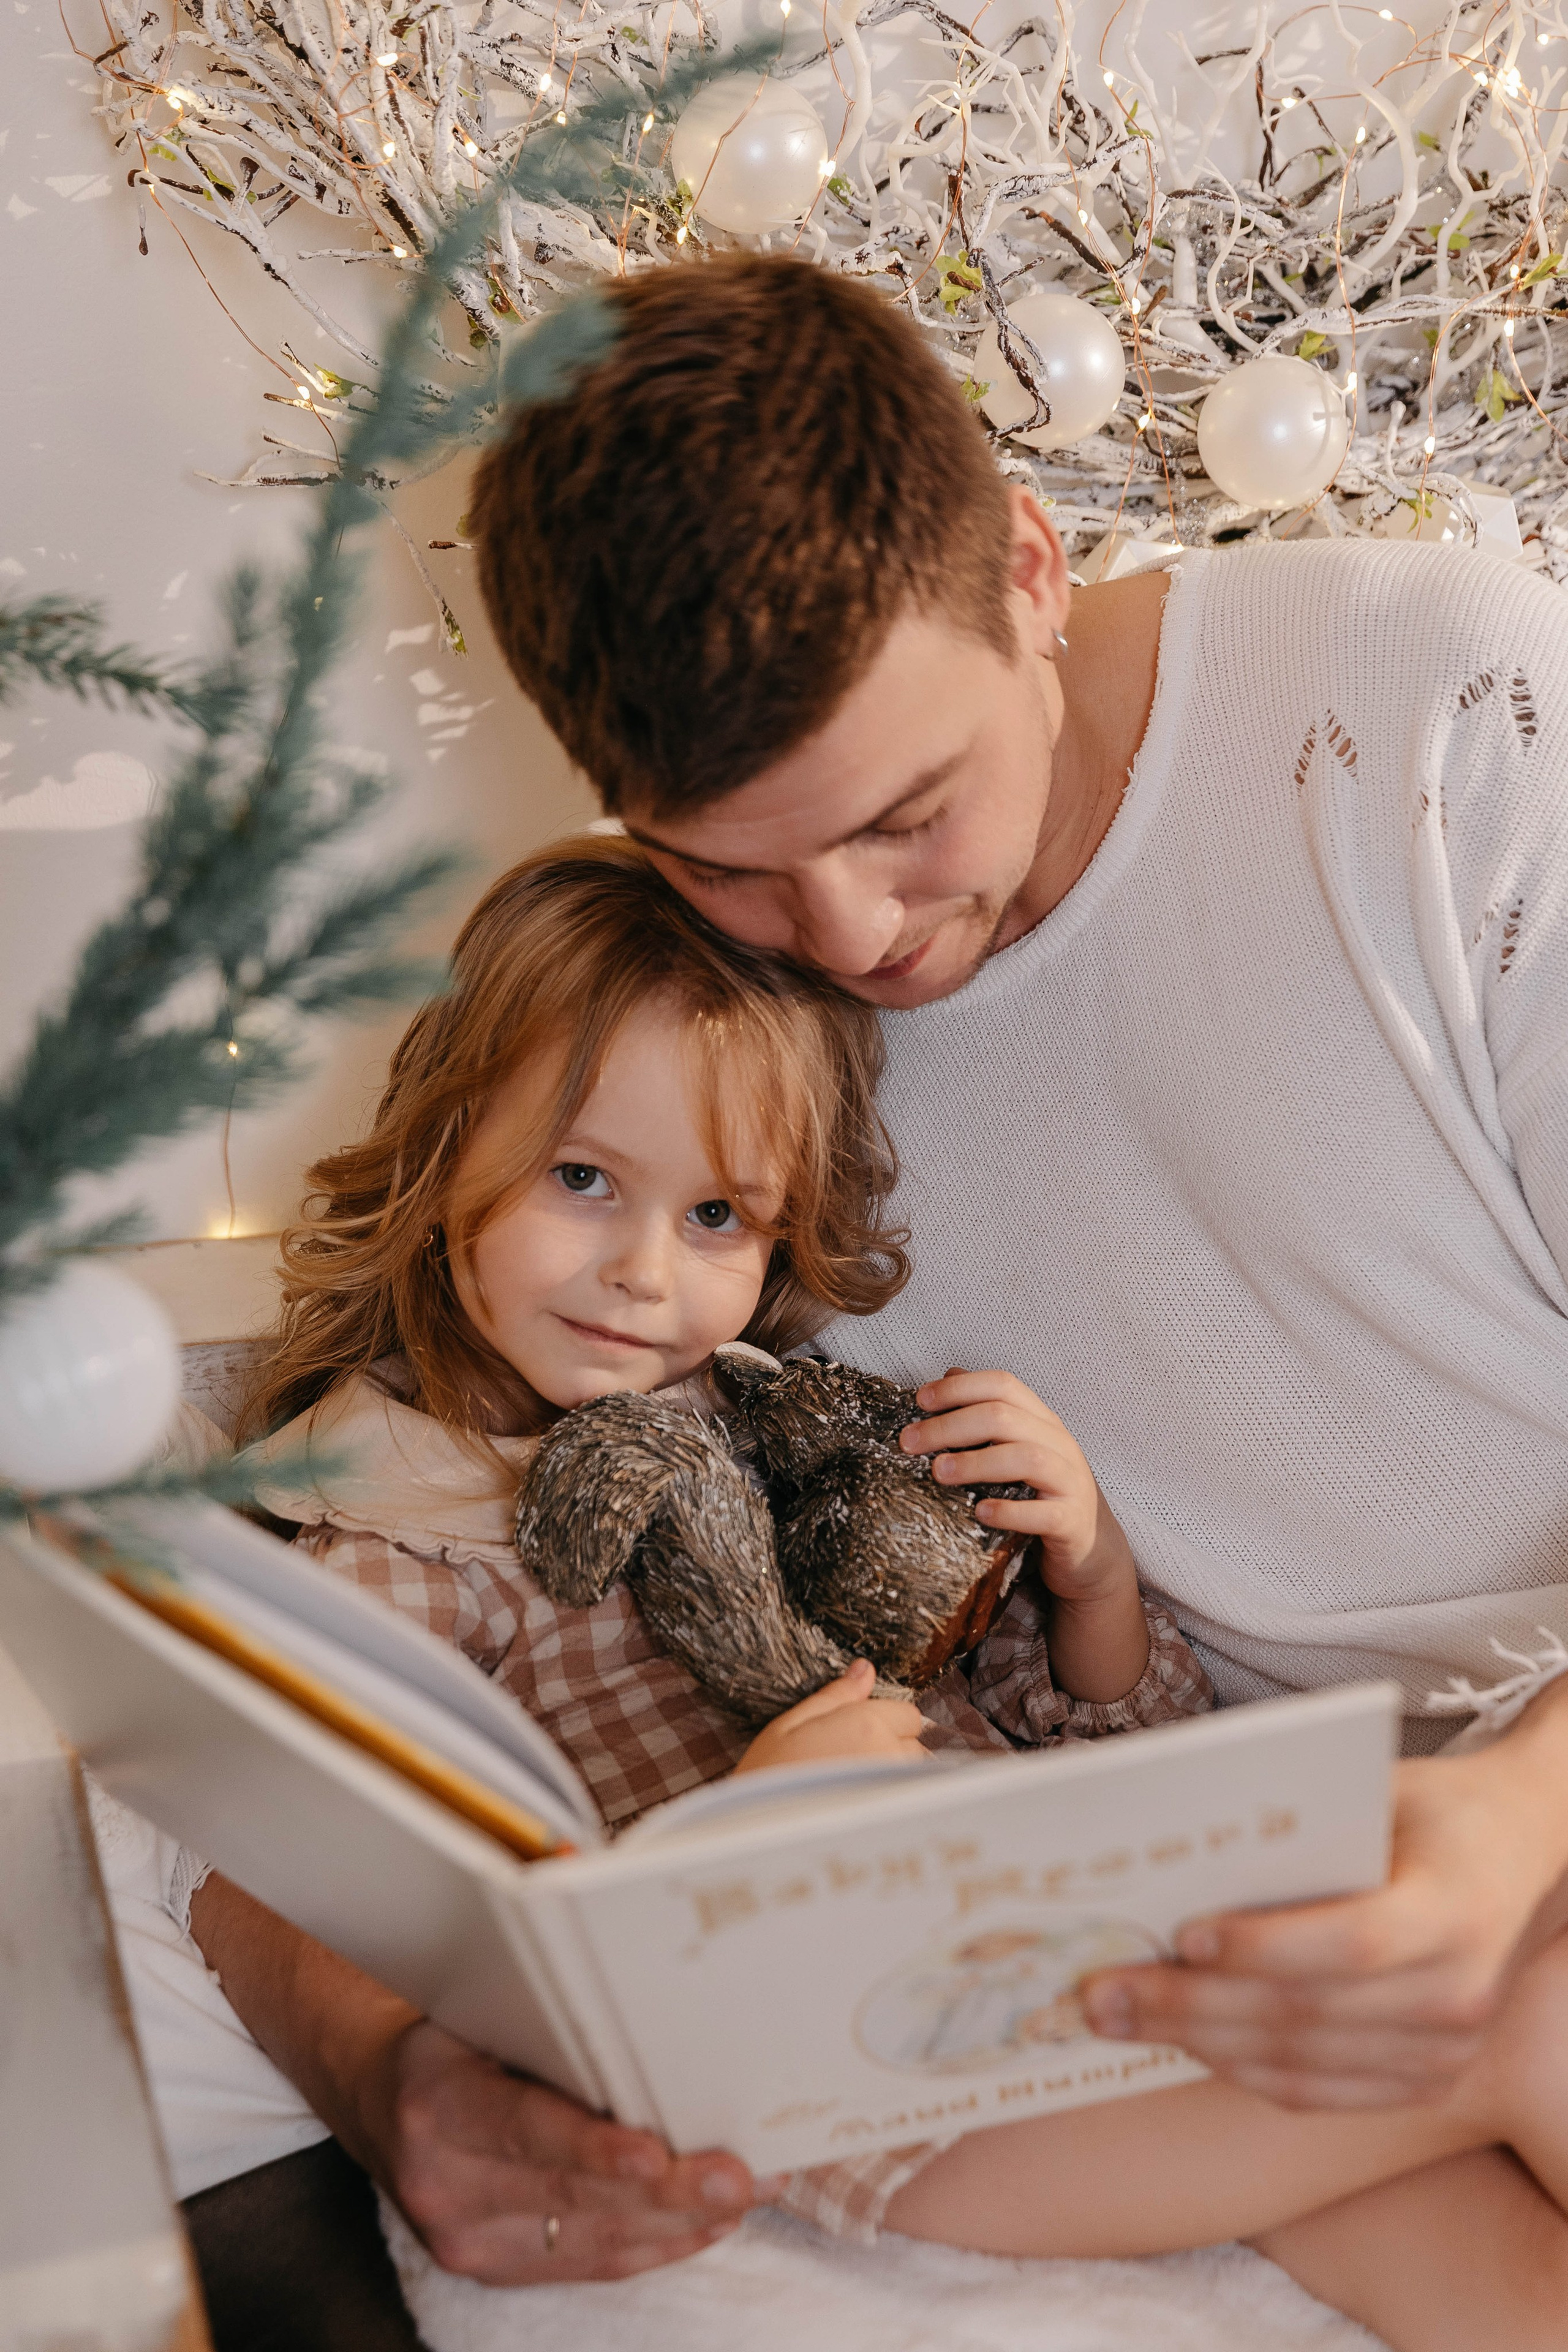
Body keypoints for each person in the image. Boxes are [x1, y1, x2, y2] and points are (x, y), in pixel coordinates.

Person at [123, 249, 1568, 2341]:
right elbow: (298, 1746)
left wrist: (1512, 1824)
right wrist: (386, 2061)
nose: (853, 936)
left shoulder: (1446, 716)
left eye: (910, 817)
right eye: (726, 863)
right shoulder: (722, 1058)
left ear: (1034, 570)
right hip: (1172, 1866)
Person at [182, 835, 1568, 2350]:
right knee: (1516, 2028)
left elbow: (1092, 1734)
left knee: (1471, 2248)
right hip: (886, 2067)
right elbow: (463, 1935)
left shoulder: (795, 1438)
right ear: (450, 1151)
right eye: (582, 1180)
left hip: (1066, 1940)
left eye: (716, 1217)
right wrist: (750, 1826)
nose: (642, 1270)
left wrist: (1090, 1572)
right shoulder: (408, 1533)